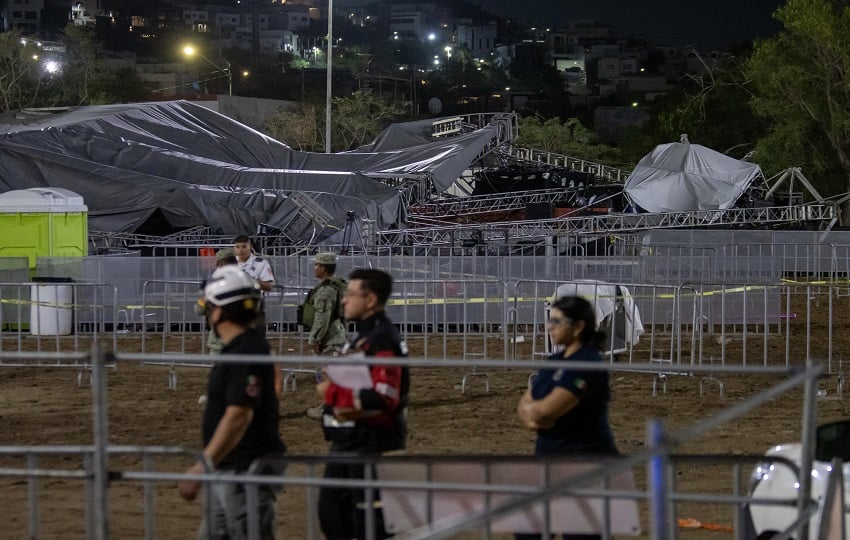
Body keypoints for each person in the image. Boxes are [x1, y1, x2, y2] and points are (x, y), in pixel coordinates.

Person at [178, 266, 286, 540]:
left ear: (220, 311)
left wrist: (202, 465)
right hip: (230, 467)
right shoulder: (240, 348)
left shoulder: (246, 351)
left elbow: (239, 415)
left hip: (245, 469)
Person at [315, 268, 409, 540]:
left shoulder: (382, 339)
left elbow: (384, 395)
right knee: (336, 513)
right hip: (350, 440)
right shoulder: (365, 336)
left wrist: (332, 395)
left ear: (370, 300)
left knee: (368, 521)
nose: (344, 300)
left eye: (351, 294)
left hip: (370, 442)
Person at [515, 295, 618, 540]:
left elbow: (545, 410)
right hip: (549, 459)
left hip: (584, 463)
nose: (550, 327)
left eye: (557, 321)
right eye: (550, 320)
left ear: (579, 326)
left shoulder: (588, 364)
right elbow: (525, 406)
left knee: (580, 533)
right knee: (528, 528)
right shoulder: (554, 362)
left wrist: (537, 415)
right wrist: (535, 417)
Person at [304, 252, 350, 420]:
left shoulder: (325, 290)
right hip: (338, 333)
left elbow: (321, 318)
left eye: (317, 265)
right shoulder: (336, 286)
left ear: (323, 268)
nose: (314, 268)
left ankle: (328, 408)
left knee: (327, 374)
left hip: (330, 337)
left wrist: (314, 339)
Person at [194, 248, 239, 356]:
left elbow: (199, 310)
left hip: (220, 339)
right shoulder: (247, 282)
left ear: (219, 264)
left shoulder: (212, 285)